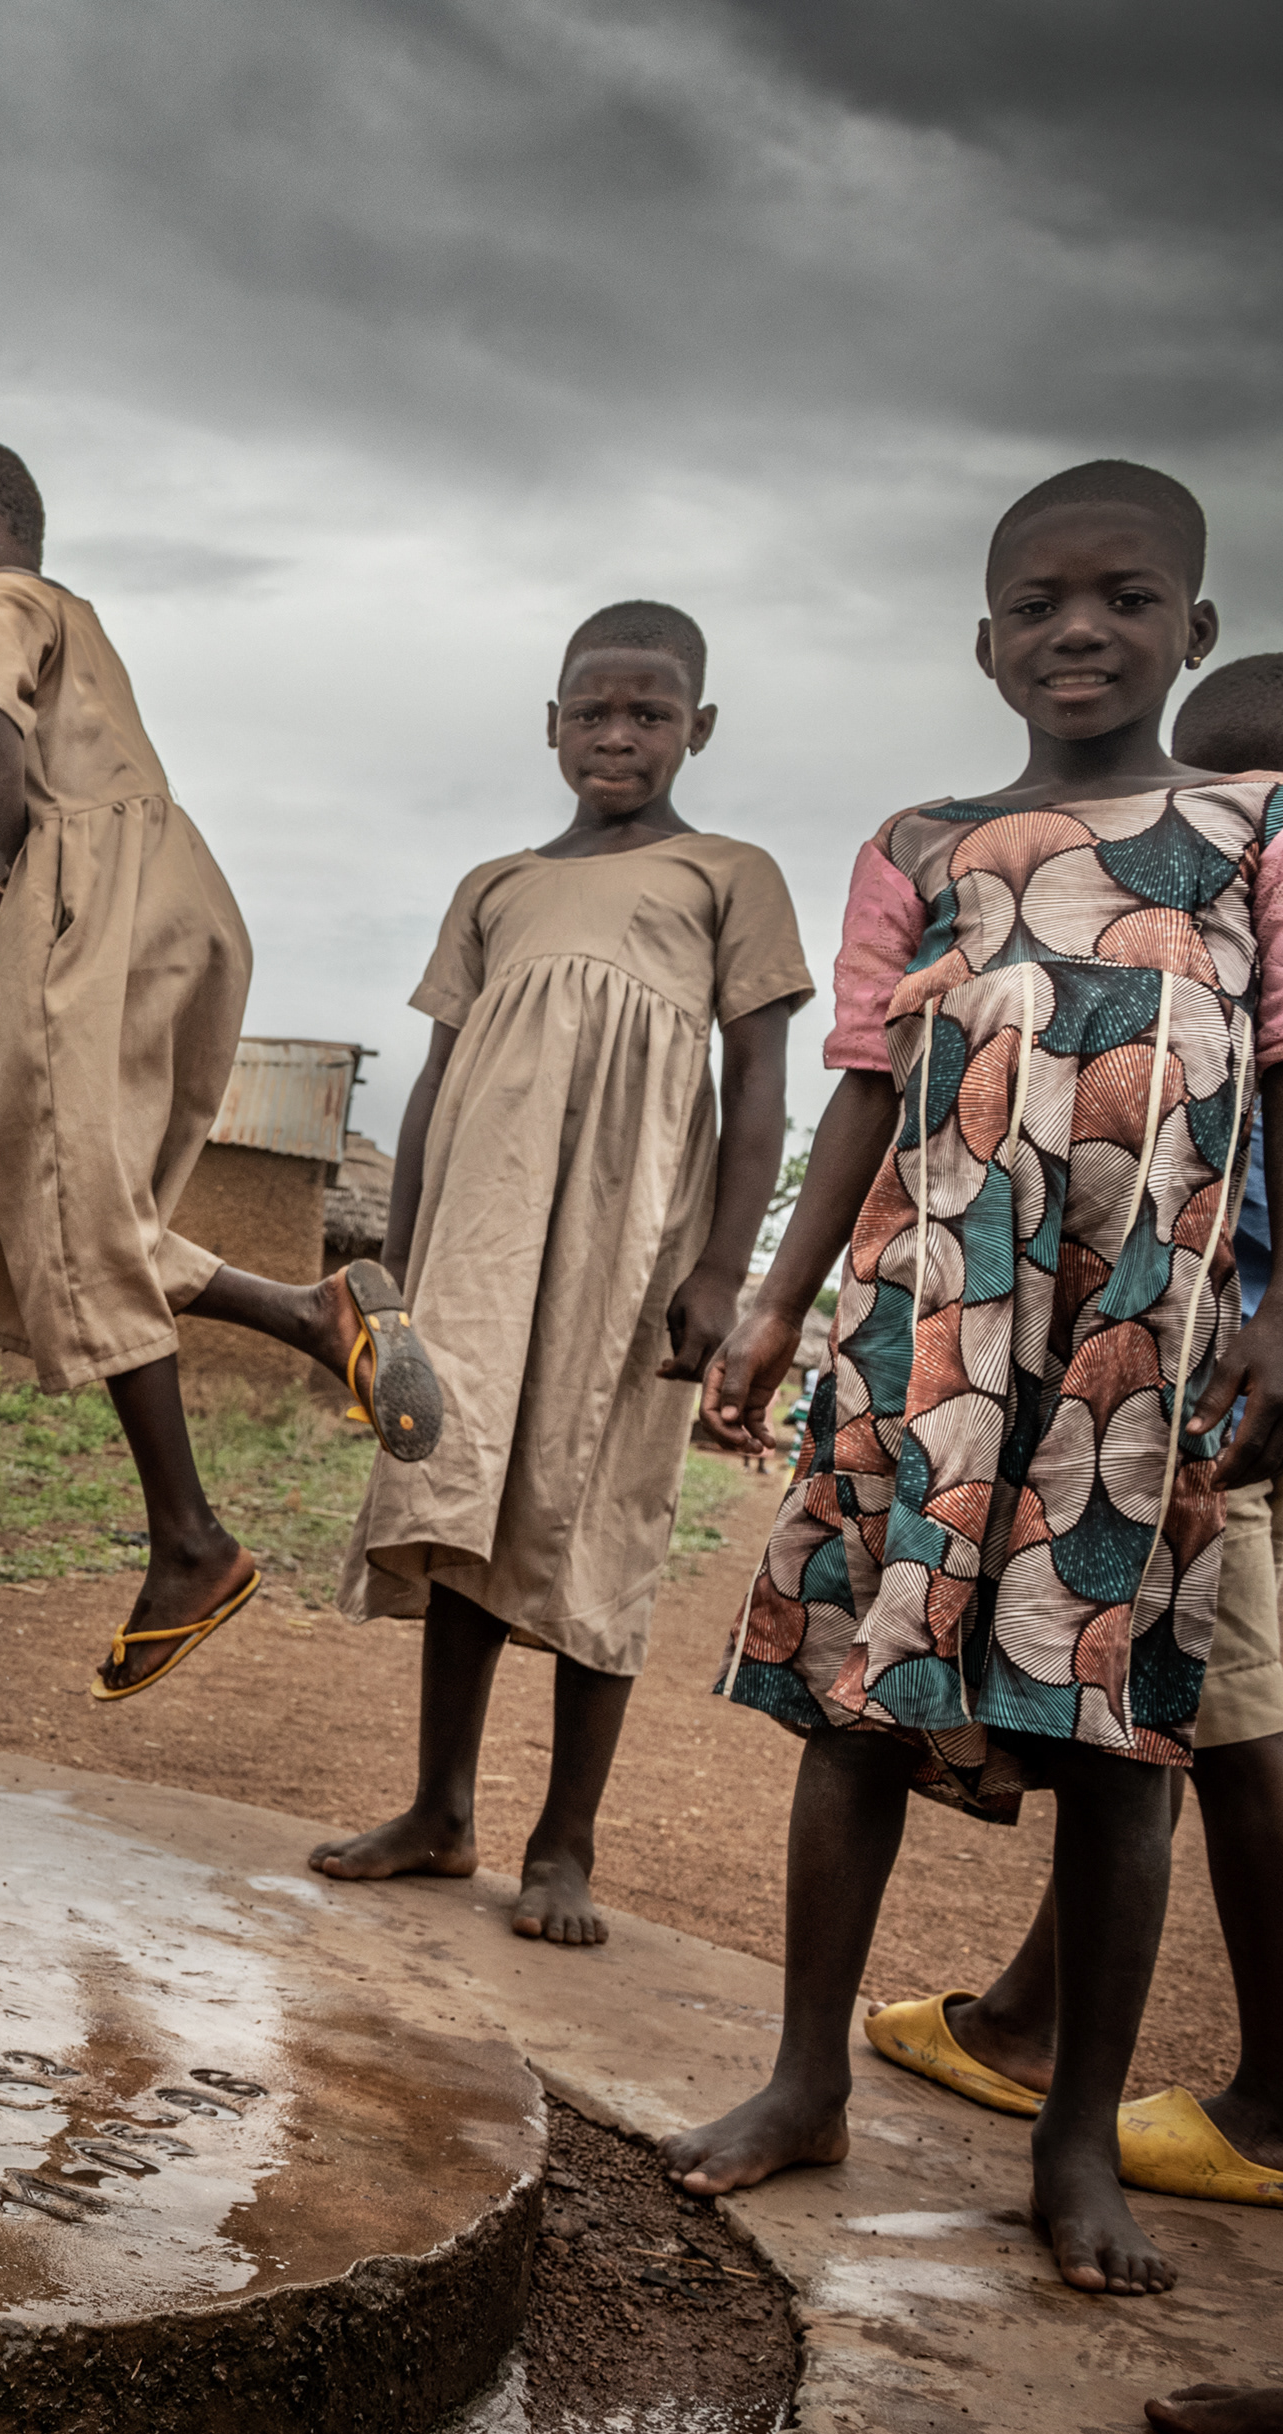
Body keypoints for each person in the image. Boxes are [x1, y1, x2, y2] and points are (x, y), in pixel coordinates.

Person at [681, 460, 1282, 2300]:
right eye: (1038, 603)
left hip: (1139, 1343)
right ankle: (803, 2077)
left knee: (1120, 1724)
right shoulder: (921, 845)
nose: (1078, 631)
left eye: (1121, 600)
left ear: (1191, 627)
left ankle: (1076, 2137)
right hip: (929, 1317)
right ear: (984, 639)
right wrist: (777, 1306)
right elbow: (865, 1079)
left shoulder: (1254, 830)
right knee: (856, 1695)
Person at [0, 440, 444, 1704]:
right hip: (179, 898)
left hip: (95, 900)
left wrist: (24, 854)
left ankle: (188, 1538)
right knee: (26, 1209)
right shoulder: (82, 621)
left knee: (68, 1201)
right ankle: (313, 1314)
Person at [310, 603, 808, 1947]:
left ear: (696, 730)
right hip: (476, 1240)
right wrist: (398, 1261)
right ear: (551, 724)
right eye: (592, 711)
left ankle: (565, 1843)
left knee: (601, 1506)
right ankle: (438, 1811)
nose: (618, 736)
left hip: (627, 1243)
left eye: (649, 715)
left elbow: (758, 1082)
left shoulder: (730, 875)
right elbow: (433, 1085)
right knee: (456, 1492)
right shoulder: (495, 886)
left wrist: (723, 1268)